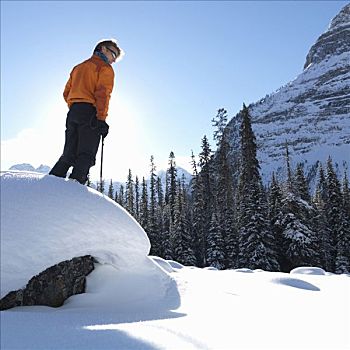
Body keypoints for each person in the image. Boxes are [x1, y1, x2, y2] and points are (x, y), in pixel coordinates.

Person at [49, 39, 123, 184]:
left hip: (73, 112)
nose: (113, 60)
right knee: (86, 154)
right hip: (90, 113)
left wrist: (75, 105)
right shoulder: (104, 68)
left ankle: (50, 185)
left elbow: (66, 92)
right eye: (113, 54)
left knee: (68, 154)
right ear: (103, 49)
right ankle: (74, 191)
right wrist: (101, 119)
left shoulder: (78, 67)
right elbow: (103, 93)